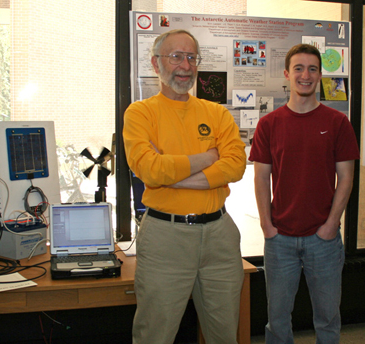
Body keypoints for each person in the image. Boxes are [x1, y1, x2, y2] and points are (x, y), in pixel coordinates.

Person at [123, 29, 247, 344]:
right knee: (155, 334)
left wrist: (174, 176)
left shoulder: (216, 113)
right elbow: (149, 169)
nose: (185, 65)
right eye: (176, 56)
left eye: (192, 57)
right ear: (155, 63)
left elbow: (235, 165)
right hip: (166, 238)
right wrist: (208, 157)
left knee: (224, 335)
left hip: (219, 235)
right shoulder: (140, 113)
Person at [249, 44, 360, 344]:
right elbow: (261, 177)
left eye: (312, 69)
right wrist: (266, 225)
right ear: (287, 74)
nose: (305, 75)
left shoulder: (337, 123)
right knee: (278, 319)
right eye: (298, 68)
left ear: (320, 75)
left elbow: (346, 179)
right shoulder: (269, 124)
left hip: (323, 240)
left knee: (327, 319)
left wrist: (330, 225)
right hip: (279, 239)